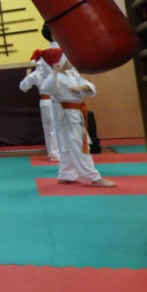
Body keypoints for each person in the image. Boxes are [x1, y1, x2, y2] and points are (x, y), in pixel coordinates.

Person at [38, 49, 117, 188]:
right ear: (59, 63)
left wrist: (82, 87)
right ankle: (93, 177)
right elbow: (45, 88)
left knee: (68, 145)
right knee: (79, 145)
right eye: (67, 58)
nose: (71, 61)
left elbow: (90, 86)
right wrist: (54, 73)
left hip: (77, 112)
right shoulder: (55, 78)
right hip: (68, 115)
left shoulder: (72, 73)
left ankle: (66, 174)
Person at [19, 24, 61, 161]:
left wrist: (28, 75)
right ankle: (64, 153)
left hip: (48, 99)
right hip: (62, 98)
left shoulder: (40, 60)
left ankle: (54, 153)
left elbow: (23, 86)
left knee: (51, 129)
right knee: (63, 127)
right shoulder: (65, 54)